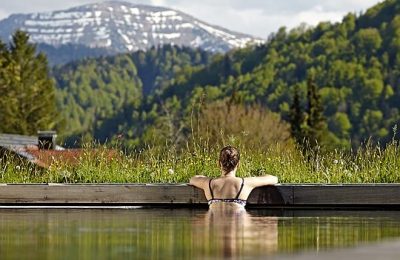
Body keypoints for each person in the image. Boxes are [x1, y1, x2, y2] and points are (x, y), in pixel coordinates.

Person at [189, 146, 278, 209]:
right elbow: (274, 179)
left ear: (219, 163)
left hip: (215, 226)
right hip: (238, 224)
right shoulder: (245, 183)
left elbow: (193, 179)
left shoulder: (208, 183)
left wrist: (206, 178)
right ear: (238, 164)